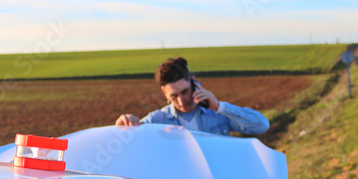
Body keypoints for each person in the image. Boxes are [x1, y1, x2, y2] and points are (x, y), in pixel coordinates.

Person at [115, 57, 269, 136]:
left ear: (194, 82)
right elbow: (129, 143)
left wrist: (219, 106)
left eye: (185, 91)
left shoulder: (218, 114)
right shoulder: (156, 120)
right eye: (174, 95)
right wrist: (122, 127)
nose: (181, 102)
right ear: (164, 92)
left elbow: (261, 126)